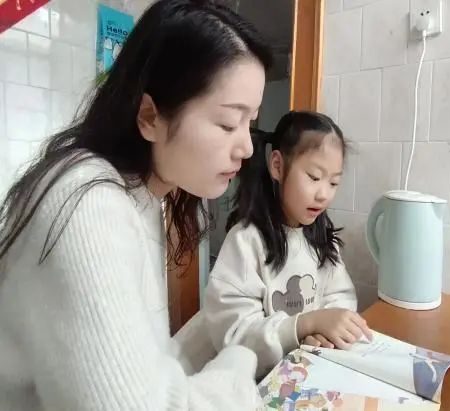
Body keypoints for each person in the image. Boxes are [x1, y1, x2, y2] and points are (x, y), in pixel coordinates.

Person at [0, 1, 271, 409]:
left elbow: (146, 365)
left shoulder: (140, 196)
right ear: (149, 116)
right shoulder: (86, 203)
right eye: (228, 123)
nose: (247, 147)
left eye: (250, 123)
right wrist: (237, 366)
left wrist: (232, 347)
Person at [204, 111, 372, 378]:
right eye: (314, 177)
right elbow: (235, 334)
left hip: (310, 372)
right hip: (257, 382)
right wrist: (304, 325)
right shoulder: (246, 241)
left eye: (334, 182)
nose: (324, 194)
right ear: (278, 166)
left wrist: (322, 331)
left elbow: (340, 298)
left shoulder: (322, 239)